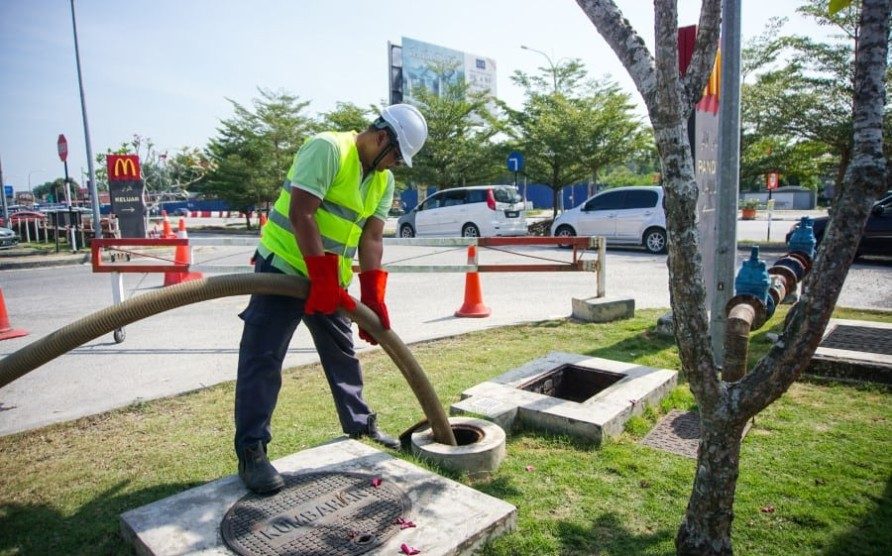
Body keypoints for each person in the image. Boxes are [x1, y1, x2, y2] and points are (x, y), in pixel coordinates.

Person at [234, 104, 428, 494]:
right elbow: (302, 214)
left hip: (330, 282)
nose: (393, 166)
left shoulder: (381, 181)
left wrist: (373, 295)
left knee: (342, 353)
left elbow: (371, 238)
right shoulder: (328, 149)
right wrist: (318, 277)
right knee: (263, 356)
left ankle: (359, 424)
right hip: (283, 270)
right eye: (394, 157)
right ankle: (252, 451)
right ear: (381, 137)